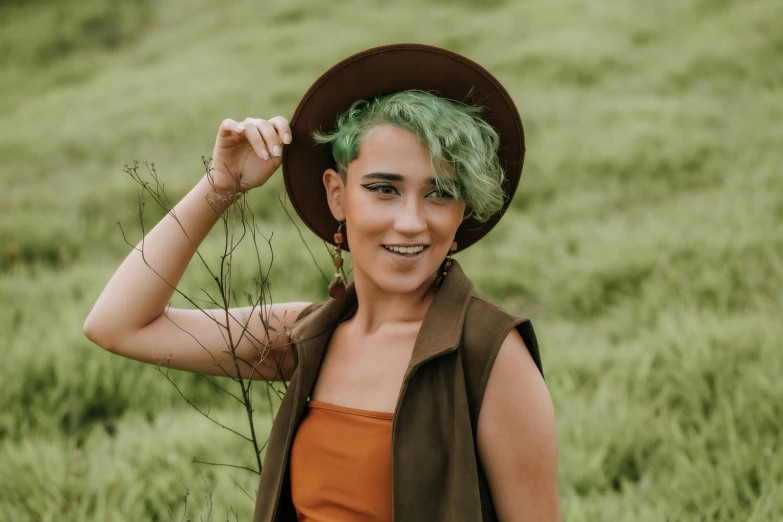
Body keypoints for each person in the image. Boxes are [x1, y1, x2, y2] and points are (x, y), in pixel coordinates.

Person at [84, 44, 561, 522]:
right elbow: (119, 325)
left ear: (462, 210)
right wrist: (220, 185)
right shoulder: (307, 335)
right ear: (337, 195)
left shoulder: (490, 356)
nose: (413, 221)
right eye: (383, 189)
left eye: (441, 193)